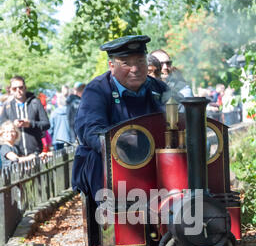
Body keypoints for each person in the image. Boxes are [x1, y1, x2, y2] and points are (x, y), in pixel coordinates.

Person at [72, 35, 168, 200]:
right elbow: (90, 130)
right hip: (115, 165)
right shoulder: (97, 90)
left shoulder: (160, 88)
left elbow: (179, 119)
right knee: (95, 157)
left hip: (155, 161)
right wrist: (121, 142)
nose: (135, 69)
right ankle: (108, 219)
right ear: (111, 65)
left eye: (140, 61)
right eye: (126, 63)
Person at [0, 76, 50, 156]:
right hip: (16, 154)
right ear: (11, 90)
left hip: (35, 152)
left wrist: (30, 124)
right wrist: (13, 125)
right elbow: (2, 127)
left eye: (20, 87)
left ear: (25, 88)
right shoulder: (8, 106)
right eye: (14, 88)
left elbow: (46, 124)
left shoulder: (35, 103)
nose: (18, 91)